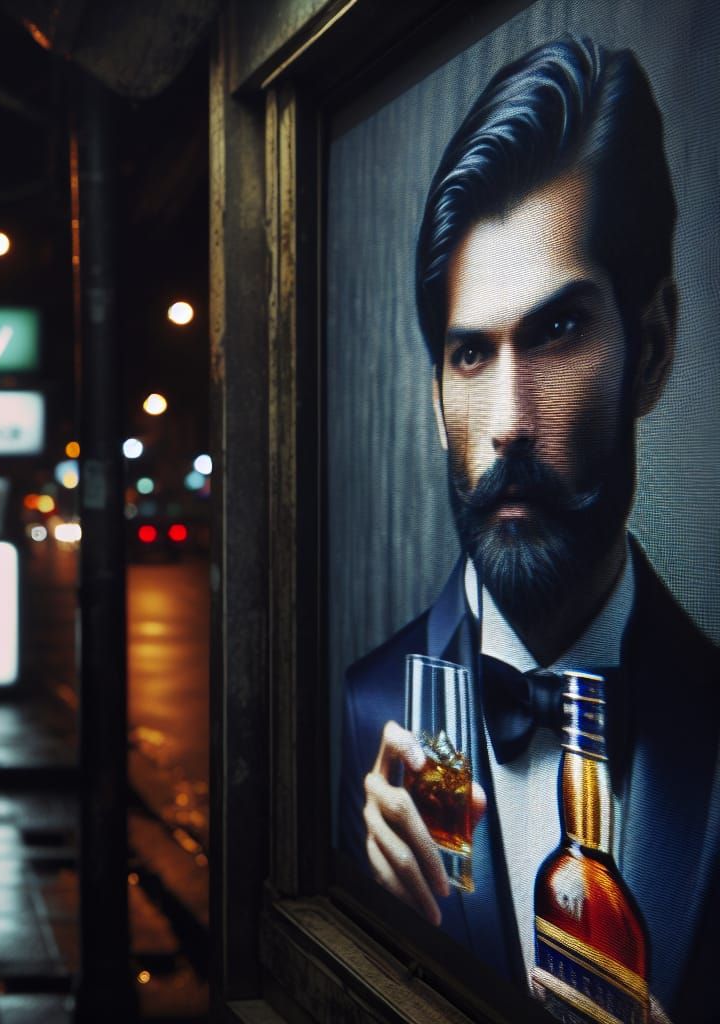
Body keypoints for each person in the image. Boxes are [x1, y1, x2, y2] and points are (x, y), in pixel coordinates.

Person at [338, 37, 720, 1023]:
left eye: (555, 333)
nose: (506, 416)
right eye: (470, 352)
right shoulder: (349, 720)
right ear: (434, 399)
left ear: (653, 348)